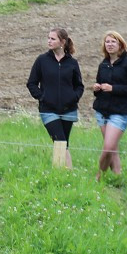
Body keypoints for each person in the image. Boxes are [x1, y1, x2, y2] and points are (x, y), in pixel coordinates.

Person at [26, 28, 82, 169]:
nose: (49, 41)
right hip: (48, 109)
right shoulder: (42, 60)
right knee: (59, 141)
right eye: (48, 38)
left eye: (53, 39)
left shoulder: (72, 63)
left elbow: (79, 86)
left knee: (64, 143)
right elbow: (31, 83)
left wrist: (73, 98)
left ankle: (61, 175)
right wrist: (42, 97)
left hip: (68, 110)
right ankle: (69, 172)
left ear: (62, 42)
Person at [91, 31, 127, 180]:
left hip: (120, 112)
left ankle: (99, 176)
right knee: (112, 149)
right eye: (107, 42)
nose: (110, 45)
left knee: (107, 148)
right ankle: (117, 177)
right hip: (101, 111)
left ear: (121, 44)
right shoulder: (103, 64)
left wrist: (113, 88)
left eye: (113, 42)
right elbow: (100, 88)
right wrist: (97, 88)